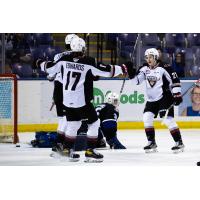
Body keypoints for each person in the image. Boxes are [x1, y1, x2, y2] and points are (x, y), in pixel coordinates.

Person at [35, 37, 127, 162]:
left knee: (73, 124)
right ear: (83, 49)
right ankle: (90, 151)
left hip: (67, 101)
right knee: (94, 123)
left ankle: (67, 149)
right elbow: (107, 71)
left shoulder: (63, 60)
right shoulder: (88, 62)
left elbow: (48, 67)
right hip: (82, 101)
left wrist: (38, 62)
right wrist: (122, 68)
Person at [125, 48, 185, 153]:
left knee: (167, 119)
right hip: (151, 100)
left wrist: (177, 94)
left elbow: (175, 80)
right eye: (147, 57)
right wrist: (131, 74)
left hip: (165, 98)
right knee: (147, 117)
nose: (148, 59)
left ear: (156, 57)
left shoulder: (165, 67)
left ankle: (179, 142)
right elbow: (137, 81)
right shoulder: (144, 68)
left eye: (151, 57)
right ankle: (151, 142)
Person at [47, 34, 79, 153]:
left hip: (58, 88)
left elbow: (51, 76)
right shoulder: (77, 57)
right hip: (68, 90)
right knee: (69, 119)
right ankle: (62, 145)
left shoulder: (57, 56)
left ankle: (59, 145)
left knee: (62, 119)